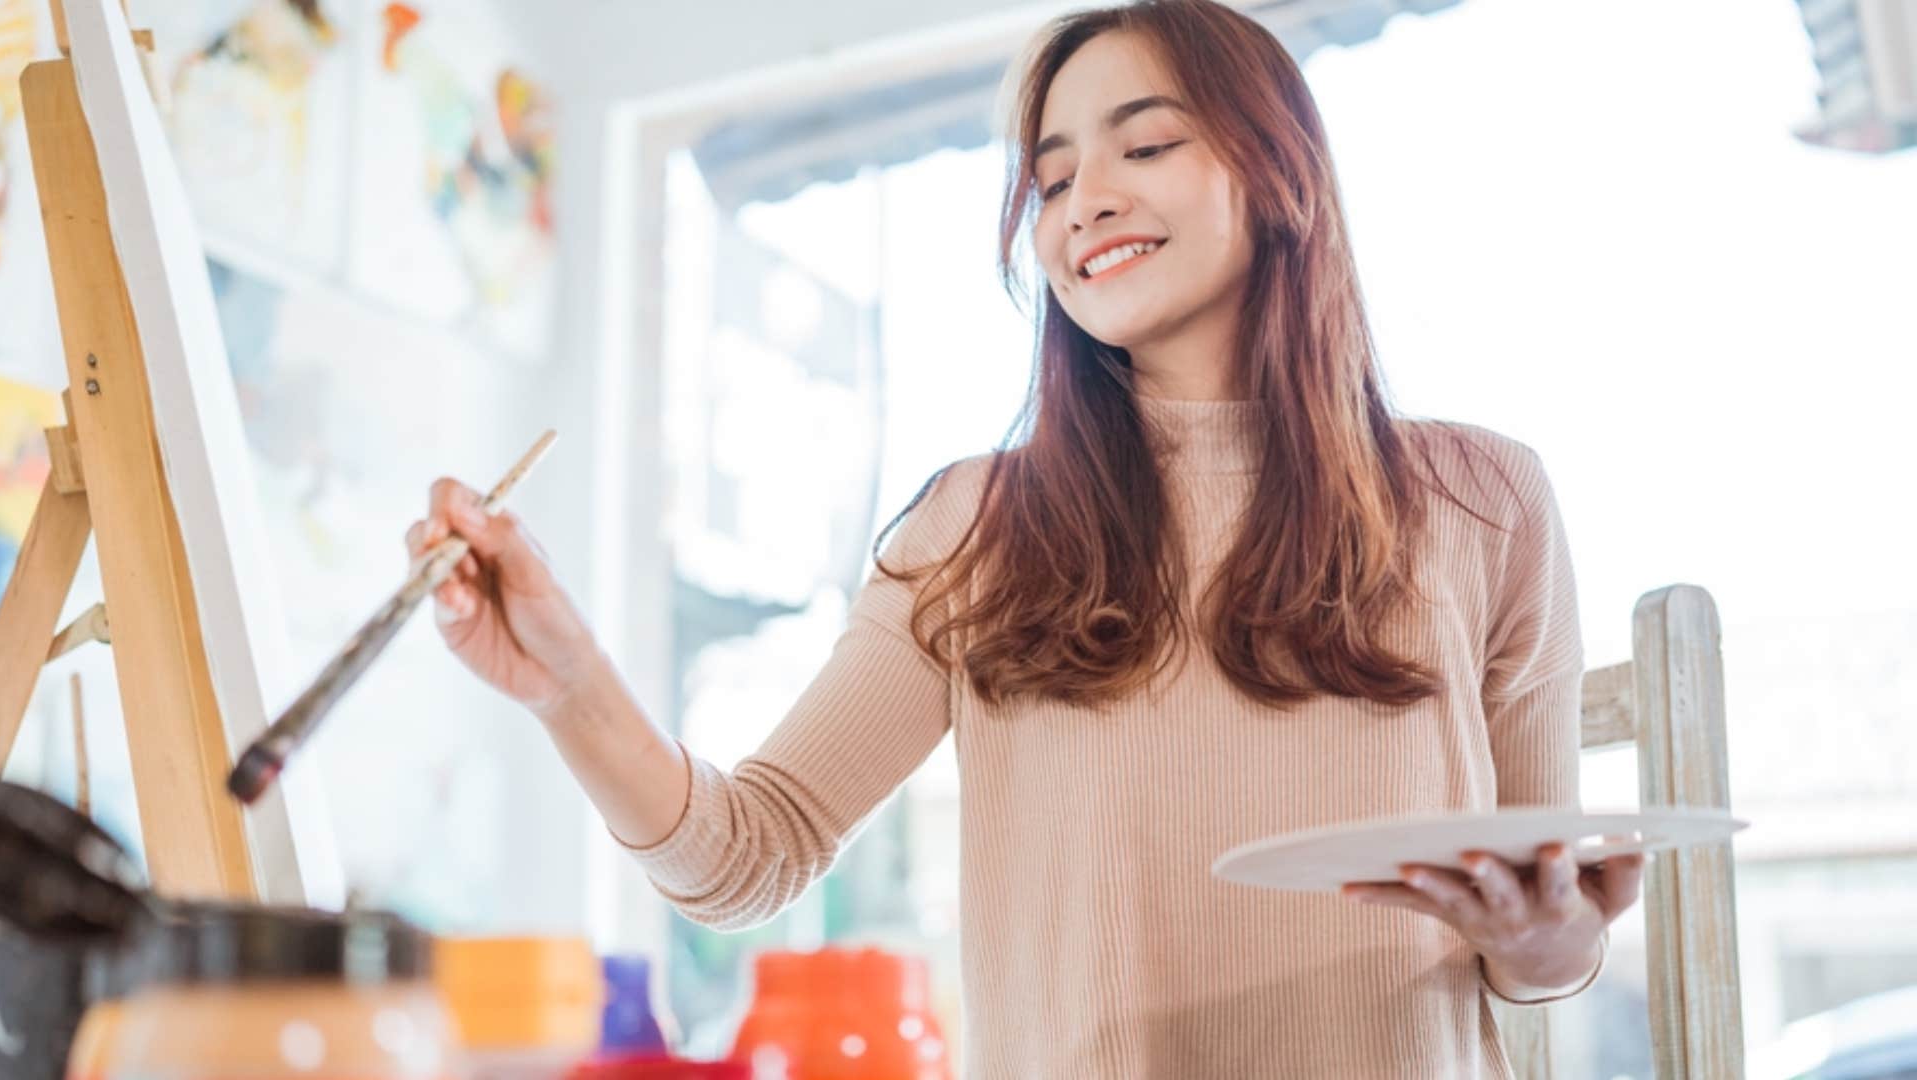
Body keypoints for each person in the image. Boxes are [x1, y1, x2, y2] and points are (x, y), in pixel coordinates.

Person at [406, 0, 1643, 1074]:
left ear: (1283, 175)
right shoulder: (973, 530)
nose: (1081, 202)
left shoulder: (1486, 503)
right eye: (1048, 180)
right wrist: (568, 682)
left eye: (1145, 144)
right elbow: (750, 856)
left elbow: (1540, 937)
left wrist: (1546, 947)